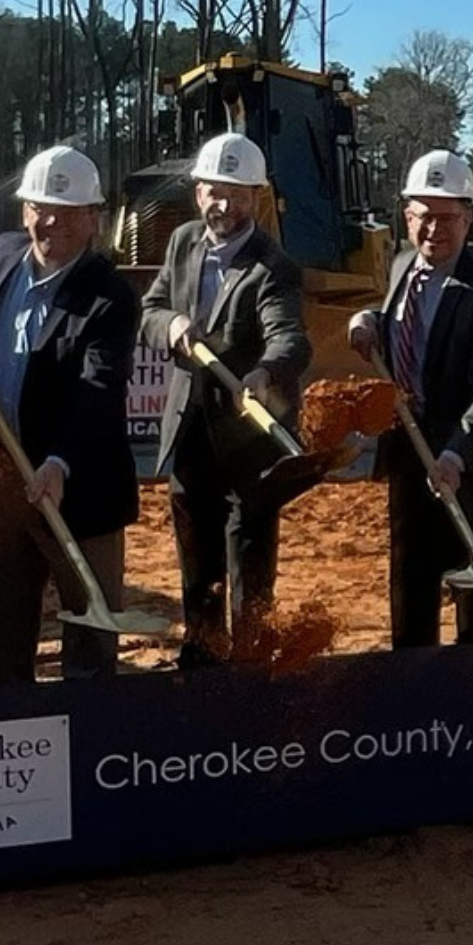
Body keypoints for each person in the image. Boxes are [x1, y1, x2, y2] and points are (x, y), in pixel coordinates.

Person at [0, 145, 141, 686]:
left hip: (79, 490)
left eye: (69, 213)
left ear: (94, 219)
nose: (53, 223)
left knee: (90, 652)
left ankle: (91, 733)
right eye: (42, 209)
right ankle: (11, 724)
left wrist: (59, 462)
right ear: (25, 210)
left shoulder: (110, 297)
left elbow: (99, 391)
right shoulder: (2, 255)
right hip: (3, 481)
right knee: (5, 641)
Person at [137, 134, 312, 664]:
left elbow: (290, 338)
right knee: (198, 570)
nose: (224, 206)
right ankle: (201, 664)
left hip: (249, 446)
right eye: (215, 192)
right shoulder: (183, 242)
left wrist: (264, 373)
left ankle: (251, 668)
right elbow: (151, 309)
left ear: (257, 198)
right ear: (198, 193)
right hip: (190, 435)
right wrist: (171, 325)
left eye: (237, 195)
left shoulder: (273, 267)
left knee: (249, 570)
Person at [346, 151, 473, 647]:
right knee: (410, 585)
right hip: (408, 450)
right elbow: (405, 326)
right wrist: (369, 321)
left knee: (472, 599)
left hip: (467, 461)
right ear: (407, 216)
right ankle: (411, 680)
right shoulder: (402, 266)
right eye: (423, 215)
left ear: (468, 218)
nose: (434, 229)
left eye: (447, 217)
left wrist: (454, 456)